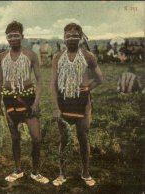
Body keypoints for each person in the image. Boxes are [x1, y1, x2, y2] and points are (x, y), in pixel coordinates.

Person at [0, 21, 49, 184]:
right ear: (6, 38)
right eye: (10, 36)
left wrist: (36, 102)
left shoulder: (31, 55)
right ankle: (18, 170)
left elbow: (39, 80)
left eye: (16, 35)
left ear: (22, 37)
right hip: (9, 99)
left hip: (28, 99)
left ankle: (35, 171)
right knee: (15, 137)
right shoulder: (1, 57)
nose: (13, 39)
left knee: (36, 138)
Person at [51, 23, 103, 187]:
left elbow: (99, 78)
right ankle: (62, 174)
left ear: (81, 38)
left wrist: (88, 87)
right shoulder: (57, 57)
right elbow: (52, 84)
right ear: (64, 38)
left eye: (75, 36)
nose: (71, 38)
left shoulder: (88, 56)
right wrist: (55, 107)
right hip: (63, 102)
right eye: (68, 36)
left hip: (83, 103)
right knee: (64, 139)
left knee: (83, 137)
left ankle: (86, 173)